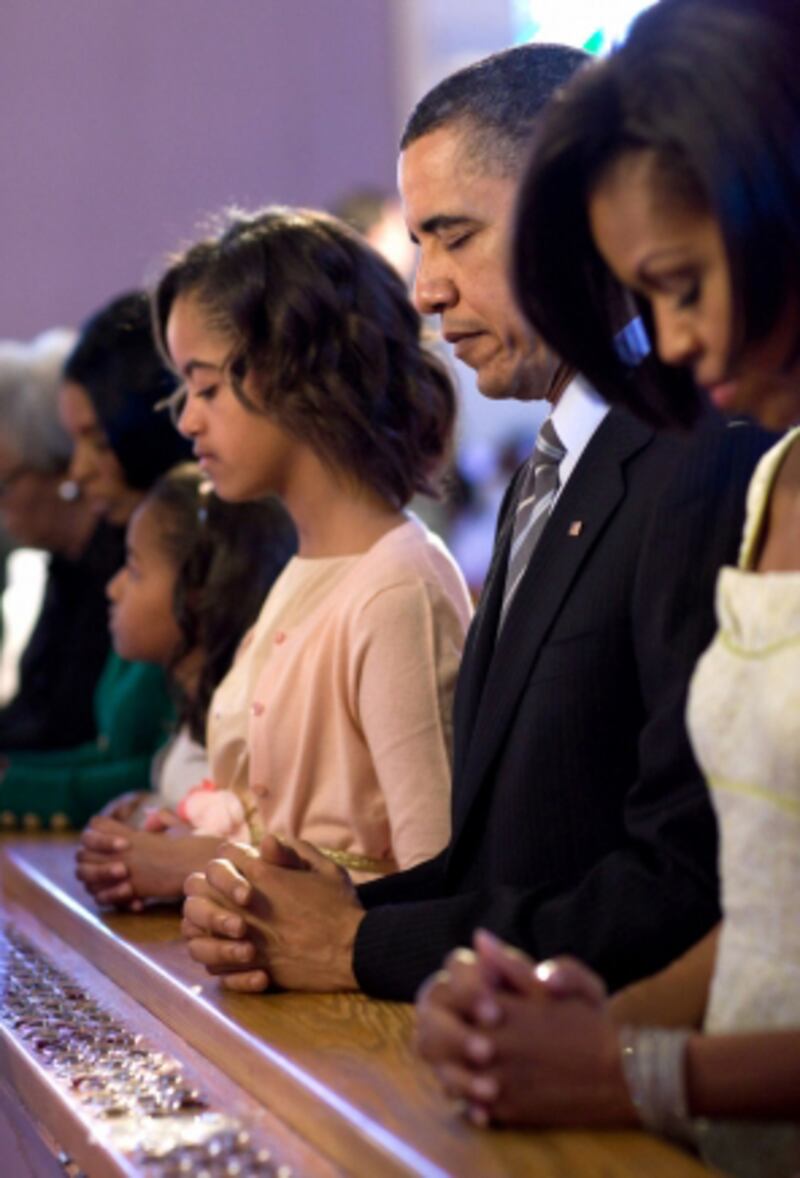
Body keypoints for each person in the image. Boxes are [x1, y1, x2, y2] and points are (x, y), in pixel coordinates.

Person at [179, 44, 770, 1004]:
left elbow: (679, 883)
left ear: (580, 219)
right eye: (420, 244)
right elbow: (506, 859)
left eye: (454, 237)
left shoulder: (695, 460)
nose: (425, 288)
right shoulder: (556, 470)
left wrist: (356, 947)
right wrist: (334, 909)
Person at [415, 2, 800, 1173]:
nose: (667, 340)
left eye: (681, 283)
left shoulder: (706, 460)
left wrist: (638, 1066)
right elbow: (764, 901)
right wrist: (578, 1028)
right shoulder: (771, 475)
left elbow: (674, 865)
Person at [83, 205, 470, 904]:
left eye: (206, 387)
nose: (188, 420)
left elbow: (433, 885)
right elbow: (271, 816)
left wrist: (205, 864)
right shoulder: (306, 569)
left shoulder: (397, 588)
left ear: (296, 372)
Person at [0, 293, 189, 829]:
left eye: (97, 441)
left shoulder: (182, 571)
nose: (78, 471)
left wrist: (14, 785)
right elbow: (106, 749)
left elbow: (160, 768)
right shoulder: (113, 568)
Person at [75, 463, 296, 905]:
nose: (114, 588)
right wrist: (148, 806)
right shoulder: (191, 711)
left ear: (197, 593)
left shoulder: (249, 726)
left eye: (134, 569)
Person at [0, 329, 123, 751]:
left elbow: (73, 729)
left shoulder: (117, 574)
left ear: (58, 470)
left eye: (3, 486)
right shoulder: (64, 567)